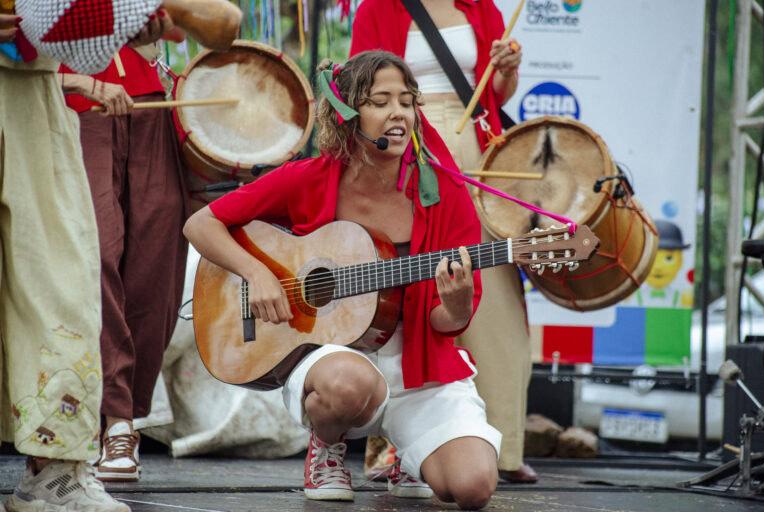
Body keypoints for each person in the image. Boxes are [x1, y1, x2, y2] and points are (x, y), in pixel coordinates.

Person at [183, 51, 500, 510]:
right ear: (348, 111)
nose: (398, 113)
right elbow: (200, 225)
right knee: (348, 384)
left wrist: (456, 305)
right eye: (380, 101)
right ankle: (327, 444)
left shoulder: (445, 192)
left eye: (407, 101)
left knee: (473, 488)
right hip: (330, 356)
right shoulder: (308, 178)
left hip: (419, 364)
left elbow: (445, 323)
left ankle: (406, 453)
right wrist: (258, 273)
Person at [350, 0, 537, 483]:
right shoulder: (377, 8)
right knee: (404, 288)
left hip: (475, 148)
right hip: (408, 143)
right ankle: (395, 448)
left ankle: (502, 442)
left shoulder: (481, 7)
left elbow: (494, 94)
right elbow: (358, 87)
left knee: (492, 291)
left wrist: (506, 72)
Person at [0, 3, 174, 510]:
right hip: (55, 93)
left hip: (33, 91)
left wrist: (129, 17)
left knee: (60, 274)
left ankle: (54, 473)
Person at [58, 37, 188, 482]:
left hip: (151, 101)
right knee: (97, 255)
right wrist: (80, 82)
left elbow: (188, 26)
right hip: (74, 104)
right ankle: (116, 420)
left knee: (158, 265)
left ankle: (124, 415)